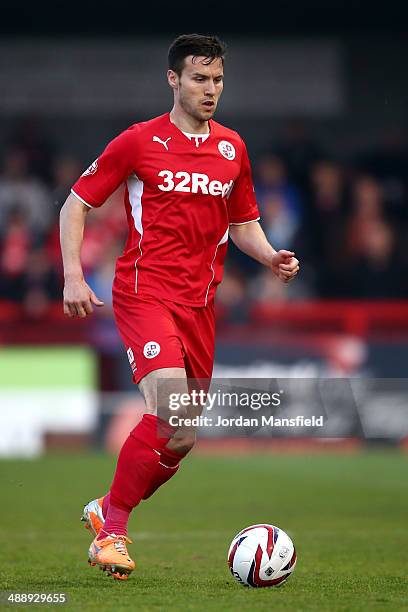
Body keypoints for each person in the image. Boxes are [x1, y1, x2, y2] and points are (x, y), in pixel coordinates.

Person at [59, 33, 299, 581]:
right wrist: (73, 274)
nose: (210, 89)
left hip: (200, 306)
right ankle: (112, 531)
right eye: (199, 78)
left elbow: (242, 223)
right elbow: (76, 204)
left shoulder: (232, 149)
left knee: (183, 434)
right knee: (169, 407)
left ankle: (106, 506)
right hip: (144, 294)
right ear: (174, 79)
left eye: (217, 80)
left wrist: (269, 257)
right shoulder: (138, 142)